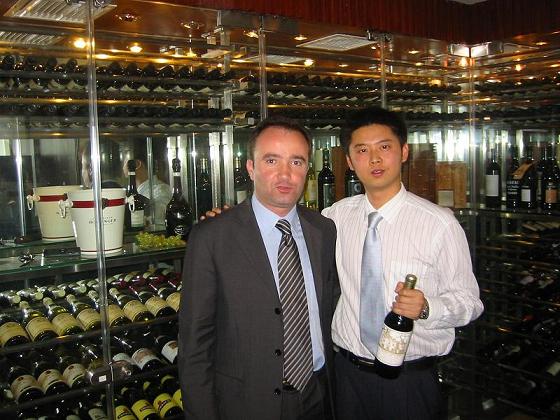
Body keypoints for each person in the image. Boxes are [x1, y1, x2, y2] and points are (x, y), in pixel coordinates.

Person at [323, 106, 483, 420]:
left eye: (384, 147)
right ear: (350, 161)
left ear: (404, 152)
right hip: (347, 376)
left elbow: (470, 303)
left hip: (409, 380)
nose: (374, 159)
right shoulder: (335, 217)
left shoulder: (439, 224)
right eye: (362, 150)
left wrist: (427, 307)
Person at [178, 116, 339, 420]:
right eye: (271, 160)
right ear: (251, 168)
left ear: (307, 169)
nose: (285, 174)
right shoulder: (212, 237)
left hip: (318, 395)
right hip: (246, 402)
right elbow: (195, 347)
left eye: (296, 162)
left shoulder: (323, 230)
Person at [122, 140, 172, 230]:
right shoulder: (137, 191)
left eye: (125, 161)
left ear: (137, 164)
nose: (123, 166)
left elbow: (159, 213)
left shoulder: (162, 190)